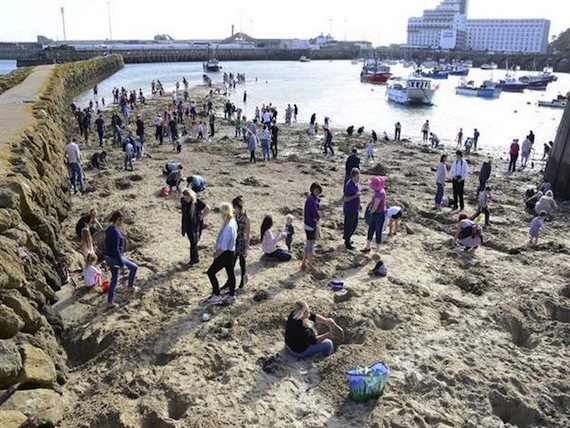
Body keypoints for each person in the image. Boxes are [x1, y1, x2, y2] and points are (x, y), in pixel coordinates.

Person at [104, 211, 138, 309]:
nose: (122, 222)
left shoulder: (110, 228)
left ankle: (110, 302)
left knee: (114, 279)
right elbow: (115, 250)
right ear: (118, 219)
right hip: (115, 258)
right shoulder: (114, 232)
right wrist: (121, 264)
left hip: (109, 257)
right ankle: (130, 287)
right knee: (134, 267)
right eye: (121, 220)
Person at [207, 203, 238, 305]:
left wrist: (216, 254)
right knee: (230, 273)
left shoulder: (228, 227)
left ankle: (217, 295)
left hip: (225, 253)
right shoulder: (233, 221)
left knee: (211, 272)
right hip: (232, 251)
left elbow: (223, 247)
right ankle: (231, 295)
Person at [181, 188, 210, 266]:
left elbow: (208, 208)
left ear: (191, 197)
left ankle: (192, 260)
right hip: (187, 224)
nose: (186, 199)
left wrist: (201, 217)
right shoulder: (183, 200)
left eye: (187, 198)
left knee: (193, 242)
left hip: (195, 225)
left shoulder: (197, 202)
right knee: (193, 242)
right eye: (185, 198)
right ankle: (196, 258)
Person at [301, 182, 322, 270]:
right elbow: (316, 214)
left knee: (308, 245)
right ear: (313, 190)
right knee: (310, 246)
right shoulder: (312, 200)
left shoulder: (311, 199)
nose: (317, 193)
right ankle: (310, 265)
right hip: (310, 225)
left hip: (307, 224)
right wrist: (318, 216)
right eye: (316, 191)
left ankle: (303, 264)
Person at [363, 176, 386, 253]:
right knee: (371, 229)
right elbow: (373, 202)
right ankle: (368, 247)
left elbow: (375, 206)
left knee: (378, 231)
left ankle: (377, 250)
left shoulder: (379, 193)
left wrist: (369, 213)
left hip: (379, 214)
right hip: (378, 214)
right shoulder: (379, 191)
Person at [343, 168, 361, 250]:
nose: (358, 179)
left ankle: (348, 237)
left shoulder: (356, 184)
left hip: (355, 208)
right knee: (349, 226)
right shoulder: (349, 186)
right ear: (353, 177)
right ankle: (347, 242)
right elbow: (346, 199)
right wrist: (355, 196)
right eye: (357, 177)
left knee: (354, 225)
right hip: (349, 209)